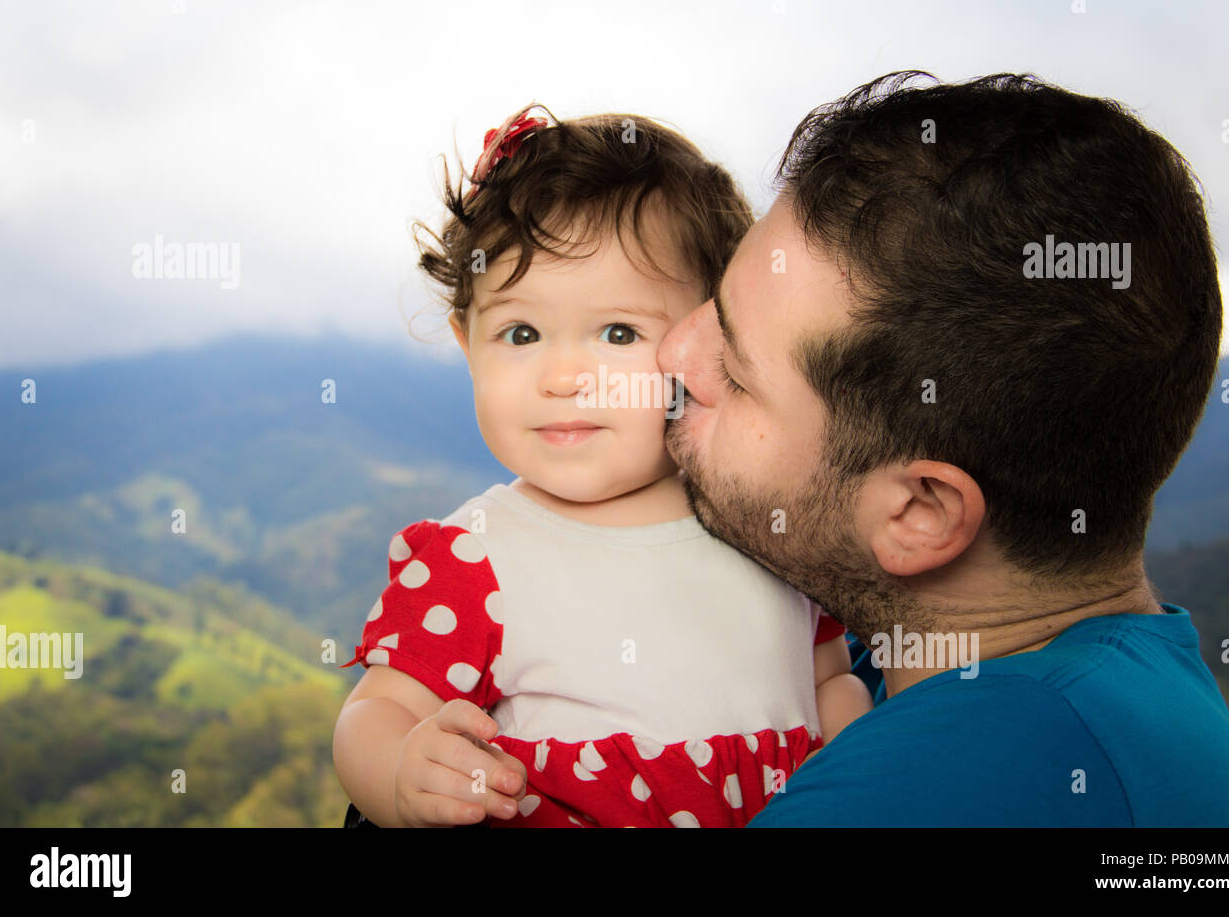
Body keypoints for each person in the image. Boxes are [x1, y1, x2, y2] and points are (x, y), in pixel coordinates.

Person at [656, 71, 1229, 826]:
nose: (673, 351)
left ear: (920, 513)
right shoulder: (1098, 693)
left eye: (736, 369)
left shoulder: (926, 794)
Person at [331, 105, 874, 828]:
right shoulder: (476, 556)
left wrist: (856, 758)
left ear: (707, 341)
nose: (563, 376)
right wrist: (402, 770)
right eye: (520, 333)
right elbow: (379, 710)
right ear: (468, 346)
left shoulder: (765, 518)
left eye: (617, 332)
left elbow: (829, 680)